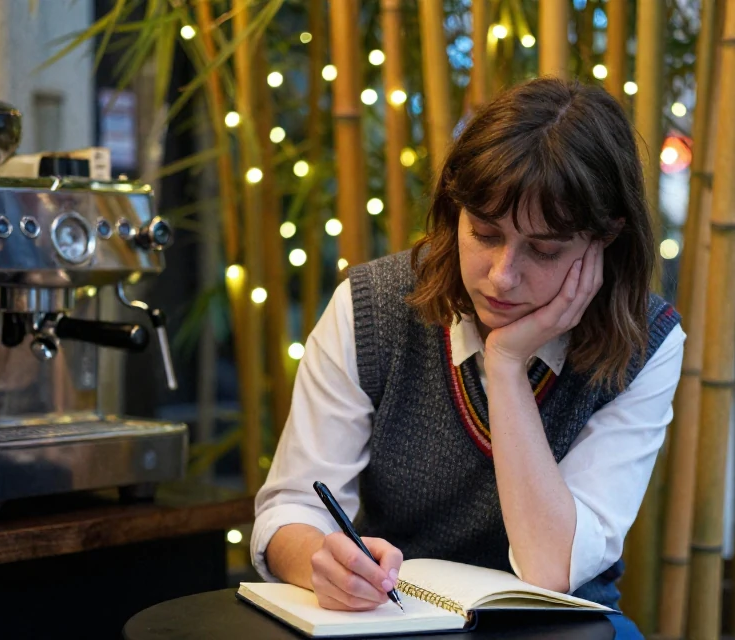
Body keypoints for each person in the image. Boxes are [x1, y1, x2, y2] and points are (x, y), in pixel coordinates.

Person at [250, 78, 685, 640]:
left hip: (563, 629)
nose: (502, 276)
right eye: (484, 233)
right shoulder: (373, 309)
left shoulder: (645, 346)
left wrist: (505, 366)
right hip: (400, 619)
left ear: (605, 240)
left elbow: (550, 568)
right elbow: (288, 508)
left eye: (544, 250)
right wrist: (323, 565)